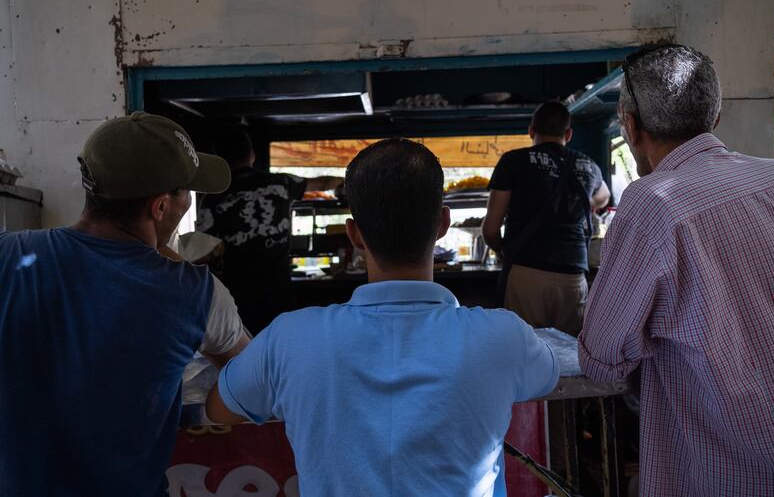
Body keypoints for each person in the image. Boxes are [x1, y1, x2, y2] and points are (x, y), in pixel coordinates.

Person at [205, 138, 560, 496]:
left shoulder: (288, 338)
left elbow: (221, 408)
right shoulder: (503, 336)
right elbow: (548, 376)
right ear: (443, 223)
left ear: (354, 234)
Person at [579, 45, 774, 495]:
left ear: (630, 124)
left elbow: (602, 357)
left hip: (728, 471)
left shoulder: (652, 202)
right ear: (714, 118)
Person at [0, 112, 250, 497]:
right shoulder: (197, 293)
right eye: (187, 192)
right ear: (161, 207)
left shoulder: (9, 253)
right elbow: (251, 379)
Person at [196, 130, 343, 334]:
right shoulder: (280, 183)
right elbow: (324, 182)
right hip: (280, 296)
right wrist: (342, 184)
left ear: (219, 159)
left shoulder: (212, 199)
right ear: (252, 155)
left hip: (238, 302)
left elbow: (203, 254)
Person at [482, 101, 610, 336]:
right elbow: (604, 197)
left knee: (524, 355)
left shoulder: (513, 161)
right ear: (568, 134)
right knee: (570, 358)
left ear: (531, 131)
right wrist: (584, 206)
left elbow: (490, 230)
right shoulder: (589, 165)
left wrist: (503, 251)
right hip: (573, 276)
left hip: (526, 271)